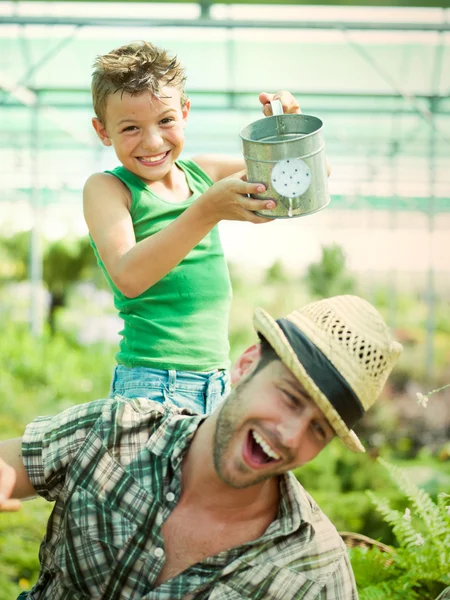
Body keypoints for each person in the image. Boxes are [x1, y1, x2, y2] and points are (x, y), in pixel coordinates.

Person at [0, 294, 402, 599]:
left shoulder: (315, 574)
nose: (291, 436)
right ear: (245, 366)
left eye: (319, 430)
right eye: (290, 398)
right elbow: (12, 464)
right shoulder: (112, 432)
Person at [83, 40, 302, 414]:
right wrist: (206, 210)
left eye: (165, 120)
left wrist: (286, 132)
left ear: (184, 112)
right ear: (103, 132)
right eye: (130, 128)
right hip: (151, 385)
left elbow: (305, 182)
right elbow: (129, 276)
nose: (152, 141)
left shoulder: (202, 173)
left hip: (216, 384)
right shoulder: (108, 189)